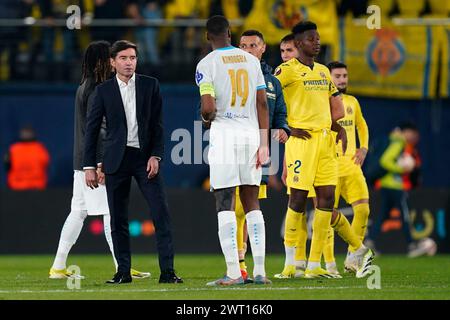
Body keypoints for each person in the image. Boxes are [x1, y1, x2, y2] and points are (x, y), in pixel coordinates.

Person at [273, 21, 373, 279]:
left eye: (317, 38)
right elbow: (266, 97)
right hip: (301, 141)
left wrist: (337, 126)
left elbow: (335, 107)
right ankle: (290, 264)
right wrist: (284, 126)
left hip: (326, 141)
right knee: (296, 199)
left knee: (326, 200)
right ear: (298, 44)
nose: (317, 42)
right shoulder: (286, 70)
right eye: (310, 38)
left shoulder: (322, 72)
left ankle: (314, 265)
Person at [83, 40, 182, 284]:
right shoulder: (103, 91)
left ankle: (167, 272)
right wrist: (89, 167)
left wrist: (156, 155)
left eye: (133, 58)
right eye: (124, 58)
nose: (129, 63)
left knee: (161, 213)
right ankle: (123, 272)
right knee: (118, 218)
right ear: (112, 62)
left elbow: (158, 124)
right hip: (116, 160)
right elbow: (92, 130)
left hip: (145, 158)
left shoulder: (151, 85)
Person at [49, 41, 149, 280]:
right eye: (112, 58)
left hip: (81, 161)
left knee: (78, 212)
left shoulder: (84, 85)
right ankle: (121, 266)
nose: (117, 62)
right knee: (110, 212)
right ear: (105, 61)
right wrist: (100, 163)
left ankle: (58, 266)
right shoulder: (98, 88)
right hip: (93, 162)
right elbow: (101, 129)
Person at [196, 15, 271, 286]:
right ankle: (261, 270)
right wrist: (264, 144)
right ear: (230, 33)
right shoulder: (251, 61)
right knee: (252, 202)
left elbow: (207, 108)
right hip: (252, 137)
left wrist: (207, 118)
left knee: (225, 201)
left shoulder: (206, 64)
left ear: (207, 37)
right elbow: (262, 104)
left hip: (225, 137)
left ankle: (232, 272)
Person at [237, 29, 290, 281]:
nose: (247, 50)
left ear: (262, 48)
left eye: (252, 45)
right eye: (243, 45)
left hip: (260, 151)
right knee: (236, 208)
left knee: (250, 208)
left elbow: (280, 111)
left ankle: (251, 264)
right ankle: (239, 263)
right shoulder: (231, 74)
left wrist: (283, 129)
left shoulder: (272, 82)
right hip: (233, 148)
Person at [321, 61, 371, 274]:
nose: (342, 80)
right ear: (329, 79)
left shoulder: (352, 101)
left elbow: (361, 124)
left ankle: (353, 257)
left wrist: (364, 148)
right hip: (330, 166)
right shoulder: (322, 102)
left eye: (344, 76)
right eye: (338, 76)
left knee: (363, 209)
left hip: (351, 166)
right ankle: (330, 264)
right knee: (327, 215)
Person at [366, 122, 424, 257]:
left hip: (386, 184)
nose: (414, 136)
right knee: (405, 215)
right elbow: (385, 161)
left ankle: (369, 242)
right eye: (412, 133)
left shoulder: (394, 140)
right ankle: (411, 245)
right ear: (406, 132)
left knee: (383, 215)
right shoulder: (399, 142)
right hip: (394, 186)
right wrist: (402, 169)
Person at [5, 126, 50, 190]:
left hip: (36, 187)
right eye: (25, 133)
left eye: (28, 133)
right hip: (17, 187)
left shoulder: (40, 148)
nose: (26, 135)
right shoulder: (13, 149)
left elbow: (45, 164)